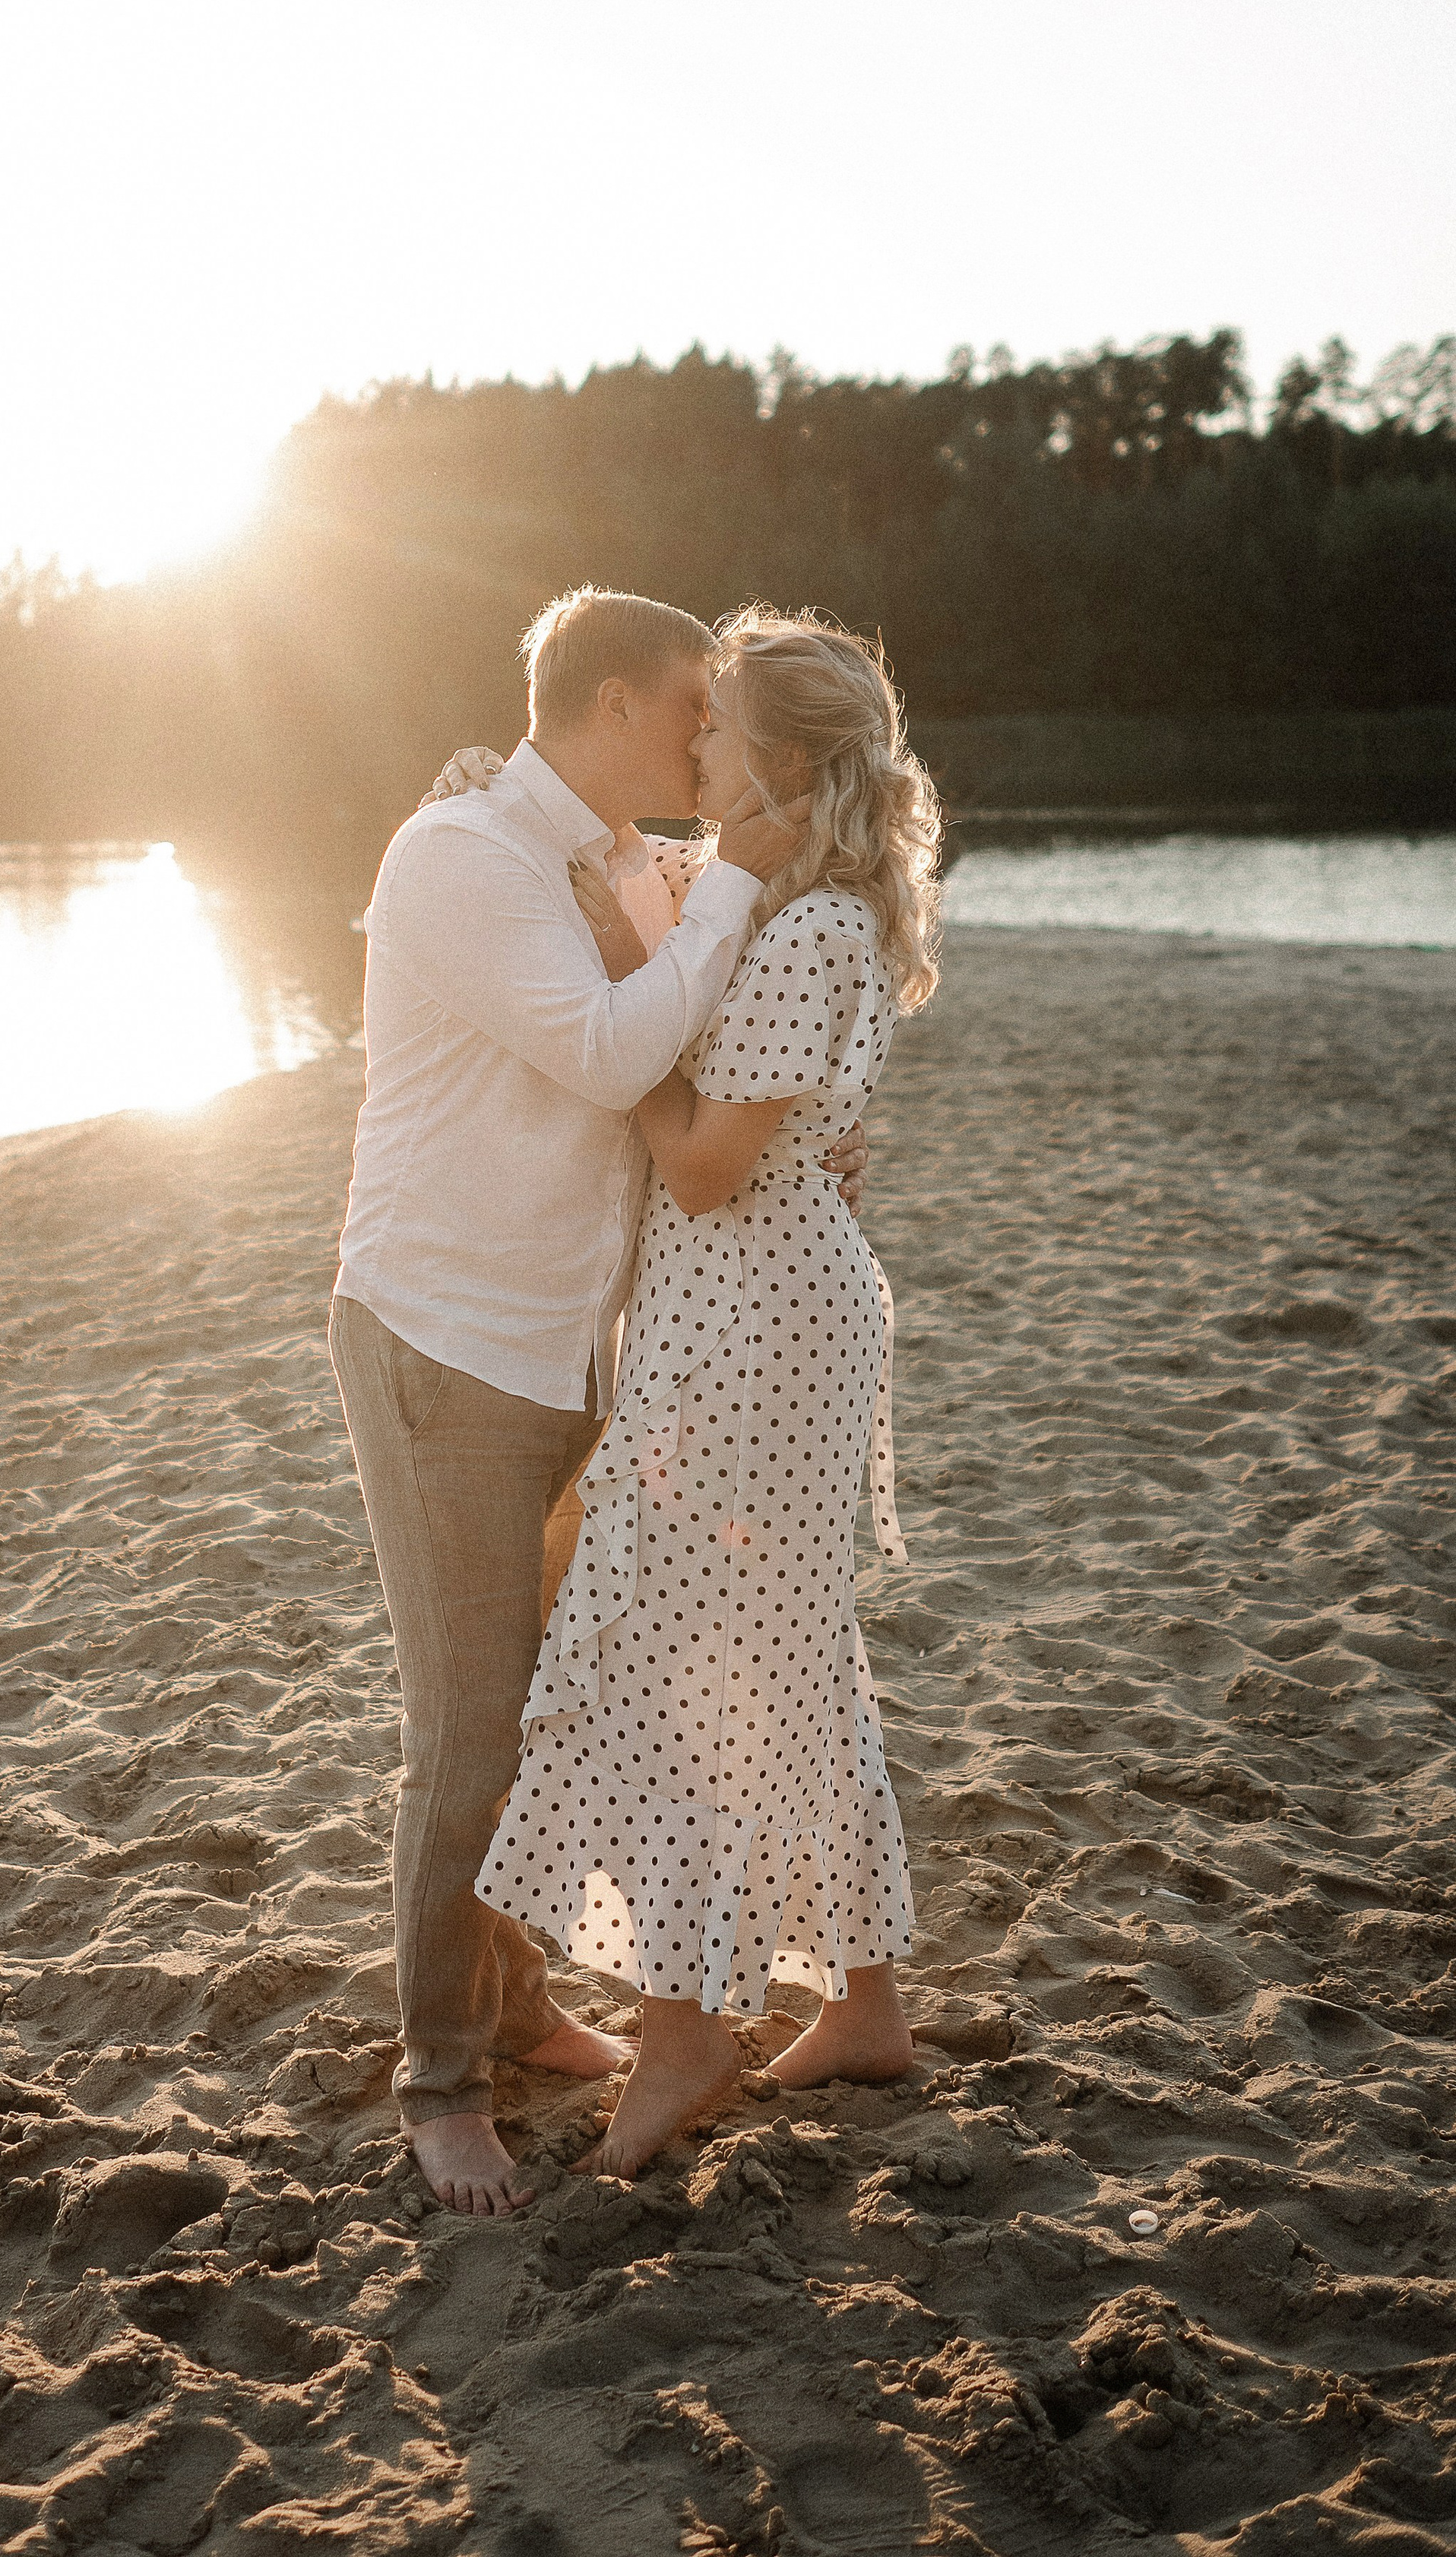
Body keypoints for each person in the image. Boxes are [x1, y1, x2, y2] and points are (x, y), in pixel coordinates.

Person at [329, 588, 869, 2217]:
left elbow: (743, 1026)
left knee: (539, 1707)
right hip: (444, 1342)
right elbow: (610, 1045)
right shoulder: (460, 858)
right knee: (468, 1728)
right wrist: (738, 888)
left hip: (578, 1354)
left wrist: (823, 1129)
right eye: (690, 706)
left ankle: (512, 2006)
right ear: (618, 704)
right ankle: (439, 2080)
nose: (708, 736)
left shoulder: (629, 862)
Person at [476, 608, 942, 2178]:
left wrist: (622, 959)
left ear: (784, 765)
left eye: (716, 736)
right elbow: (634, 882)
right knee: (785, 1647)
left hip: (756, 1321)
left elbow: (701, 1157)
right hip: (743, 1309)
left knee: (691, 1653)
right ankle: (863, 2004)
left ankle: (680, 2031)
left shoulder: (808, 933)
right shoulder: (787, 905)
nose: (691, 755)